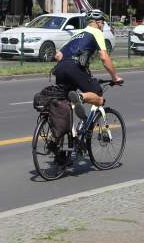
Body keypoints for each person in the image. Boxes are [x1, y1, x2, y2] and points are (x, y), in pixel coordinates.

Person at [51, 9, 122, 162]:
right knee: (97, 94)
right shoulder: (96, 33)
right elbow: (104, 57)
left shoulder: (77, 34)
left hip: (60, 69)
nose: (103, 25)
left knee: (66, 106)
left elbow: (58, 55)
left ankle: (68, 144)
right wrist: (115, 77)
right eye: (103, 22)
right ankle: (80, 96)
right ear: (97, 22)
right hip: (74, 67)